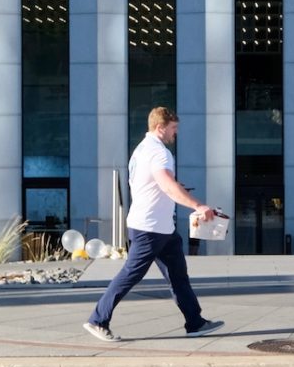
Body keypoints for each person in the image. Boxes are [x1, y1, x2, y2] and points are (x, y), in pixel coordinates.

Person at [84, 106, 226, 342]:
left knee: (178, 274)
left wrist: (178, 190)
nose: (175, 134)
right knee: (131, 273)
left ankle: (195, 322)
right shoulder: (160, 153)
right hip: (150, 228)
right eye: (173, 128)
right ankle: (97, 320)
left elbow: (157, 185)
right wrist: (198, 206)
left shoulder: (141, 150)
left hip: (160, 228)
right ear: (160, 127)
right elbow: (167, 185)